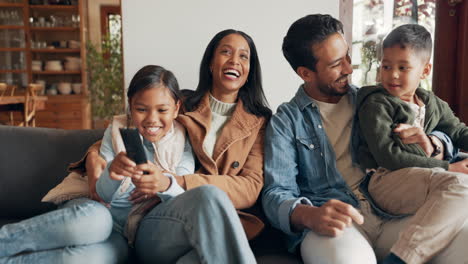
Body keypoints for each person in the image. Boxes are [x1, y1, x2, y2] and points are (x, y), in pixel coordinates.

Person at [262, 14, 468, 264]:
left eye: (348, 56)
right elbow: (276, 193)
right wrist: (309, 215)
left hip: (388, 211)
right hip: (337, 219)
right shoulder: (286, 120)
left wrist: (434, 143)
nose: (349, 68)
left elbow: (438, 127)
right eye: (336, 64)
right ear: (306, 73)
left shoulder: (372, 99)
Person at [79, 29, 272, 263]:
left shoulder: (259, 122)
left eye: (244, 56)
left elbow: (250, 187)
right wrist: (92, 156)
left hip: (219, 217)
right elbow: (131, 127)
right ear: (211, 63)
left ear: (250, 69)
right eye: (226, 52)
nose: (234, 61)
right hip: (165, 216)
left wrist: (175, 181)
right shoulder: (185, 104)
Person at [356, 24, 468, 264]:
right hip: (384, 181)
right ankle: (400, 259)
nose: (392, 74)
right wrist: (449, 168)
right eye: (386, 66)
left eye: (402, 67)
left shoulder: (432, 103)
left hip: (419, 178)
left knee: (462, 185)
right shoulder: (377, 103)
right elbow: (389, 157)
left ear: (425, 70)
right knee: (461, 183)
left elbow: (458, 131)